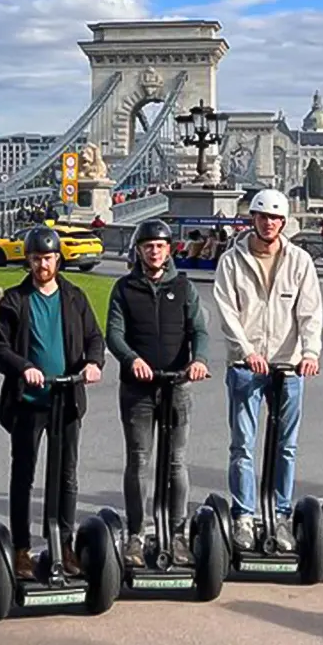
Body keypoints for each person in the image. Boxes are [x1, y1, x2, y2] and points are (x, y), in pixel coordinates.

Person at [0, 226, 105, 578]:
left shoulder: (74, 297)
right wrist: (24, 368)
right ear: (29, 261)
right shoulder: (15, 300)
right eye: (37, 259)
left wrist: (93, 364)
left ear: (58, 260)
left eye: (49, 258)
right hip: (28, 401)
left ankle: (63, 543)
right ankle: (21, 549)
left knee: (66, 475)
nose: (43, 265)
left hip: (66, 398)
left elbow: (94, 337)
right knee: (23, 474)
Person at [212, 188, 323, 551]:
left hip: (289, 366)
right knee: (243, 445)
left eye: (275, 218)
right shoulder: (232, 260)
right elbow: (227, 311)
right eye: (263, 217)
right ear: (253, 220)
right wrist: (245, 351)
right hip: (246, 367)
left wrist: (310, 352)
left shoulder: (300, 260)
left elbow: (310, 312)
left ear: (283, 222)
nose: (269, 223)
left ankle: (279, 514)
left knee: (286, 446)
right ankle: (244, 514)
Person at [105, 219, 209, 567]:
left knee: (176, 461)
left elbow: (199, 329)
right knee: (139, 461)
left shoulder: (183, 287)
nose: (154, 251)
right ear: (139, 250)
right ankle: (136, 533)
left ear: (169, 250)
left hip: (177, 385)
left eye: (160, 246)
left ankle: (177, 534)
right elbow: (115, 334)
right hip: (138, 389)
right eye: (148, 246)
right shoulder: (125, 289)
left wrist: (199, 360)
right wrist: (132, 359)